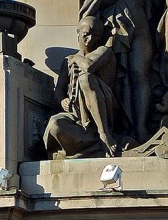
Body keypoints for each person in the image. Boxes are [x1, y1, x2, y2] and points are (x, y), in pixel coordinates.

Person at [79, 0, 163, 142]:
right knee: (118, 79)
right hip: (113, 33)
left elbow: (160, 4)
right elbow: (94, 5)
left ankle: (141, 127)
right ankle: (120, 128)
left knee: (140, 76)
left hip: (141, 31)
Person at [43, 17, 120, 158]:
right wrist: (62, 101)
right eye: (86, 34)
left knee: (85, 78)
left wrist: (76, 59)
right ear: (78, 33)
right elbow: (58, 90)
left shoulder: (104, 51)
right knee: (54, 124)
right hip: (76, 114)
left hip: (104, 108)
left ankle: (104, 135)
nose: (90, 39)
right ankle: (88, 145)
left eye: (95, 35)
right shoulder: (67, 61)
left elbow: (89, 67)